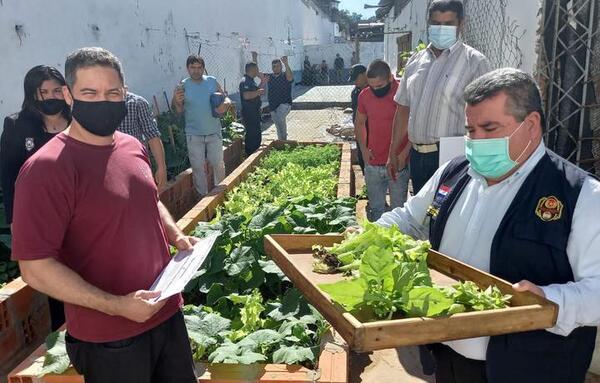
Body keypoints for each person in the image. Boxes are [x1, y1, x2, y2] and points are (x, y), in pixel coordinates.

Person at [377, 68, 600, 383]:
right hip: (446, 357)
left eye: (489, 128)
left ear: (531, 125)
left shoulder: (581, 196)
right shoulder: (453, 174)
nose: (476, 141)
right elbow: (410, 220)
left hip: (527, 370)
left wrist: (549, 300)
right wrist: (371, 234)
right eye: (470, 130)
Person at [12, 47, 198, 383]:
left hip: (168, 315)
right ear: (69, 95)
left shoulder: (131, 146)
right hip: (110, 339)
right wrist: (118, 306)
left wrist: (175, 234)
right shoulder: (46, 169)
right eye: (90, 93)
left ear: (124, 94)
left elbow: (149, 199)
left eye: (112, 93)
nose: (103, 101)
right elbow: (35, 269)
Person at [388, 0, 491, 194]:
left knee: (446, 215)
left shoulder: (474, 62)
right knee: (423, 216)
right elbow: (403, 108)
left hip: (453, 157)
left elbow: (486, 116)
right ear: (428, 23)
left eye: (448, 23)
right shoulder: (415, 61)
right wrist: (393, 150)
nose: (441, 29)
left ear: (461, 24)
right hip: (417, 157)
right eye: (436, 23)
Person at [0, 65, 70, 331]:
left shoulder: (79, 121)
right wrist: (16, 225)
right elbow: (8, 178)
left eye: (56, 90)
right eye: (44, 92)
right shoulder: (18, 125)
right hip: (42, 219)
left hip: (81, 213)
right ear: (33, 94)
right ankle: (65, 338)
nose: (51, 96)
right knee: (57, 281)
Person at [355, 60, 410, 221]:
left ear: (391, 78)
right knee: (376, 210)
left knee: (398, 212)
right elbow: (359, 122)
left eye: (379, 86)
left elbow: (413, 125)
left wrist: (404, 153)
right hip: (373, 162)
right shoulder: (365, 95)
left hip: (397, 163)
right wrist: (364, 149)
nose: (375, 90)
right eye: (372, 86)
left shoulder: (402, 93)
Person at [172, 55, 231, 196]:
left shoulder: (211, 81)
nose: (196, 71)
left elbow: (225, 97)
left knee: (218, 164)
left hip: (213, 132)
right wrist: (177, 101)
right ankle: (202, 198)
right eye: (192, 67)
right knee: (198, 168)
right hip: (194, 135)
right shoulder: (182, 86)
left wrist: (227, 103)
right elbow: (178, 111)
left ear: (203, 68)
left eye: (199, 67)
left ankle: (220, 195)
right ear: (187, 68)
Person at [118, 91, 167, 190]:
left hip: (136, 166)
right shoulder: (96, 106)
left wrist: (161, 167)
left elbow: (152, 136)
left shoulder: (136, 103)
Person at [264, 57, 293, 141]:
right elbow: (258, 74)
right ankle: (281, 141)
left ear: (281, 67)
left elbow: (290, 78)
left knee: (280, 118)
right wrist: (255, 58)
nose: (275, 68)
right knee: (277, 123)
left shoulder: (285, 75)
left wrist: (286, 64)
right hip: (273, 105)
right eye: (274, 66)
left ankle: (284, 140)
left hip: (285, 104)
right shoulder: (269, 77)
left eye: (277, 66)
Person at [239, 62, 265, 155]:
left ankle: (255, 154)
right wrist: (258, 92)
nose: (258, 71)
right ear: (252, 70)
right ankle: (250, 155)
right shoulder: (245, 81)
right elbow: (246, 95)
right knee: (252, 136)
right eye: (257, 69)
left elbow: (257, 92)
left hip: (254, 112)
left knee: (257, 135)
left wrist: (262, 81)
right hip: (249, 113)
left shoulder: (251, 80)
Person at [349, 64, 368, 172]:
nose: (354, 82)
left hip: (374, 131)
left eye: (356, 78)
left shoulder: (375, 89)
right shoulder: (355, 92)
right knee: (362, 156)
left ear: (364, 74)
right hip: (361, 131)